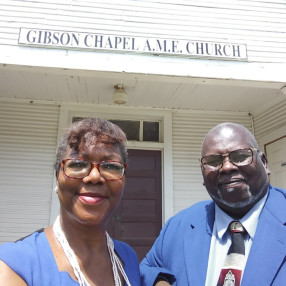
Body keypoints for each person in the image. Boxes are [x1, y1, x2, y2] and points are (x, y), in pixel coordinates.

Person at [140, 122, 286, 285]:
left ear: (264, 163)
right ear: (203, 175)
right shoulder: (179, 226)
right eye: (213, 161)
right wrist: (160, 281)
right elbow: (148, 268)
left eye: (240, 156)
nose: (227, 167)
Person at [0, 118, 141, 286]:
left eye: (111, 167)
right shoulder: (16, 265)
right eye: (78, 164)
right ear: (57, 177)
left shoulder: (127, 258)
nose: (94, 177)